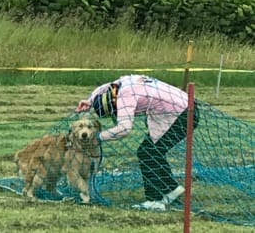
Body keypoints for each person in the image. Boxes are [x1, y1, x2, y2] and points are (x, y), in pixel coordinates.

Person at [75, 74, 200, 211]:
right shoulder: (121, 84)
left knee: (148, 152)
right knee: (151, 151)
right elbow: (104, 87)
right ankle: (171, 189)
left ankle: (155, 201)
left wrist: (98, 137)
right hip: (183, 106)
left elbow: (124, 129)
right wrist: (90, 100)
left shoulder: (124, 98)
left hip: (184, 114)